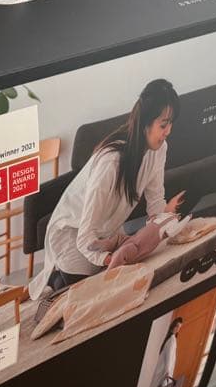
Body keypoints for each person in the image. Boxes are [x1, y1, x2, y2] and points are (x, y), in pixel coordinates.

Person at [29, 78, 186, 300]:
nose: (168, 131)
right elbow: (84, 238)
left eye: (171, 124)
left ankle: (59, 276)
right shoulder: (111, 163)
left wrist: (164, 222)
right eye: (163, 125)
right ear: (145, 122)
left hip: (105, 230)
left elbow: (155, 203)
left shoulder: (159, 150)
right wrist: (109, 260)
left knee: (117, 275)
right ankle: (56, 278)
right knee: (88, 293)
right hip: (72, 233)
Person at [150, 317, 183, 387]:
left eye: (180, 327)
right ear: (173, 326)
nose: (178, 329)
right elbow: (169, 356)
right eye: (177, 326)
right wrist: (167, 371)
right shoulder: (172, 339)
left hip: (163, 369)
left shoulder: (171, 338)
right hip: (164, 371)